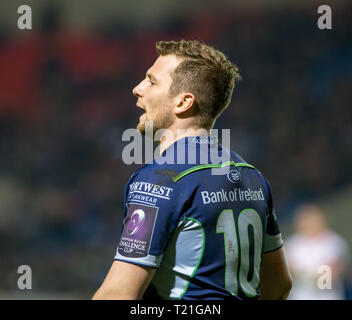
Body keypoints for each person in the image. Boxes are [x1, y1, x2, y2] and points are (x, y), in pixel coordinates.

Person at [92, 40, 292, 300]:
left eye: (151, 82)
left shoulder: (160, 180)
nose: (137, 89)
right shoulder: (253, 177)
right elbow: (279, 286)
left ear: (184, 102)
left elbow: (117, 294)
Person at [286, 204, 349, 300]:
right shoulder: (291, 245)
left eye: (311, 218)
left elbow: (326, 281)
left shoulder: (335, 243)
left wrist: (299, 273)